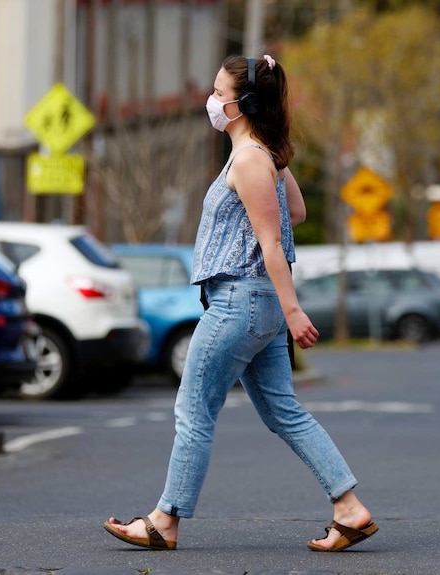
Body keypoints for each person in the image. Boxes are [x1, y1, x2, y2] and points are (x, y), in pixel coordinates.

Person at [104, 54, 376, 553]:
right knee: (283, 411)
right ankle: (349, 508)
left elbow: (273, 240)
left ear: (242, 104)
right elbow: (297, 207)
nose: (211, 101)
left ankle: (164, 521)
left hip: (240, 301)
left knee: (193, 410)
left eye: (218, 93)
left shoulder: (250, 160)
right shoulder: (257, 155)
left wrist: (294, 312)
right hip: (255, 302)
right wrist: (274, 155)